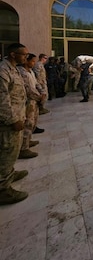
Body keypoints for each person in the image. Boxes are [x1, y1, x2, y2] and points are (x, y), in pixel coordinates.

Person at [0, 43, 29, 204]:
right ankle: (3, 189)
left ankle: (9, 174)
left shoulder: (13, 68)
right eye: (23, 54)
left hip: (17, 115)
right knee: (6, 152)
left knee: (11, 151)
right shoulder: (3, 70)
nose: (25, 56)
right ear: (12, 54)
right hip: (8, 121)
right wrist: (12, 119)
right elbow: (2, 99)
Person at [18, 53, 44, 158]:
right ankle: (23, 148)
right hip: (28, 101)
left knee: (32, 122)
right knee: (27, 123)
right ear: (26, 61)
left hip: (35, 100)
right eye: (32, 61)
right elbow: (28, 89)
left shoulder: (31, 72)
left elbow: (36, 83)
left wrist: (41, 92)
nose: (34, 63)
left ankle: (28, 141)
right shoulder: (22, 72)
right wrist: (39, 97)